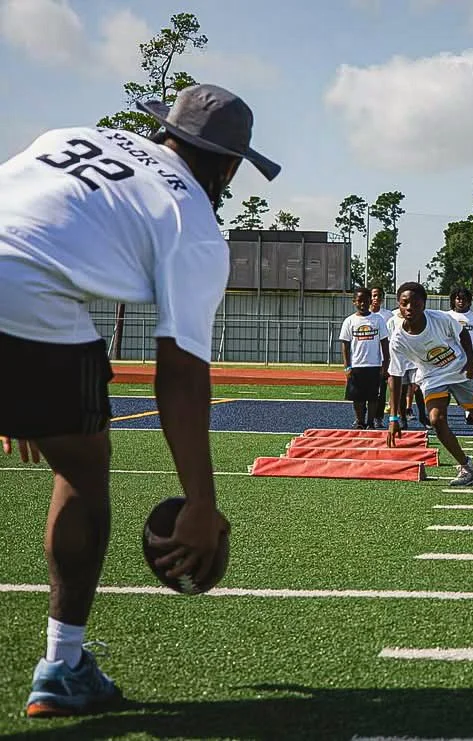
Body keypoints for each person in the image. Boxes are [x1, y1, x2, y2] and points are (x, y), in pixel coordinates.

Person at [0, 83, 278, 717]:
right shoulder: (194, 222)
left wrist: (20, 396)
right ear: (231, 166)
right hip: (26, 302)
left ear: (166, 131)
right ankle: (63, 665)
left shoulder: (72, 135)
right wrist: (202, 504)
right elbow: (179, 374)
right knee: (83, 468)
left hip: (21, 294)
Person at [386, 282, 473, 485]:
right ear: (399, 306)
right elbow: (395, 375)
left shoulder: (440, 319)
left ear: (424, 305)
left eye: (415, 303)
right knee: (436, 420)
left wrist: (471, 361)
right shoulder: (398, 340)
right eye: (404, 303)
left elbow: (462, 334)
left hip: (459, 370)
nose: (410, 308)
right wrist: (393, 417)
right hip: (432, 377)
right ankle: (467, 467)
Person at [339, 287, 390, 429]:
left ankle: (371, 422)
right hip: (356, 365)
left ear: (370, 301)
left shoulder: (378, 320)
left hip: (374, 365)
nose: (362, 304)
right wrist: (347, 366)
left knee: (373, 396)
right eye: (359, 301)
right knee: (357, 397)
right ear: (354, 302)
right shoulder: (349, 321)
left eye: (365, 301)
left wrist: (385, 365)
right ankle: (360, 421)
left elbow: (385, 343)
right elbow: (345, 345)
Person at [444, 287, 473, 423]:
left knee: (468, 386)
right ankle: (443, 412)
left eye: (464, 299)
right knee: (447, 386)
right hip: (450, 358)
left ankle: (469, 413)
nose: (461, 302)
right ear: (453, 300)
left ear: (469, 301)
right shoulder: (447, 316)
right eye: (458, 298)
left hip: (467, 358)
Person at [370, 286, 395, 428]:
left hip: (383, 360)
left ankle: (378, 417)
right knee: (365, 390)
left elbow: (391, 338)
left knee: (381, 390)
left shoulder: (388, 316)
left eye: (379, 296)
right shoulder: (363, 315)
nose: (376, 299)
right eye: (374, 295)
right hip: (366, 359)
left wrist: (389, 358)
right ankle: (363, 418)